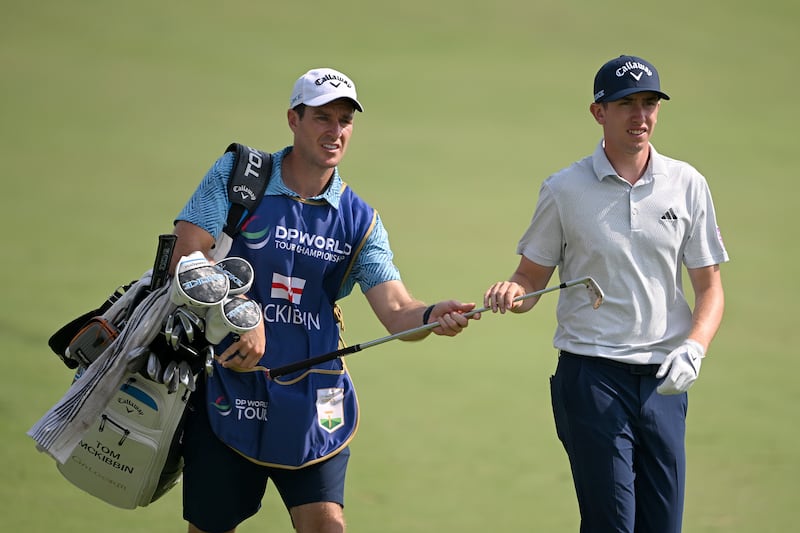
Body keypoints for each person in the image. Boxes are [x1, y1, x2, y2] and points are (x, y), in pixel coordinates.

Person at [170, 67, 479, 533]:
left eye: (344, 120)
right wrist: (243, 313)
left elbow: (397, 311)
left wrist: (434, 315)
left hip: (318, 397)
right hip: (230, 387)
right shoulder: (241, 177)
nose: (335, 131)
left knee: (327, 525)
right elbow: (188, 255)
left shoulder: (359, 220)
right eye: (322, 118)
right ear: (293, 119)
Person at [484, 55, 728, 532]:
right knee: (612, 524)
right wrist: (513, 290)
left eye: (649, 104)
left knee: (663, 526)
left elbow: (709, 287)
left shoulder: (687, 184)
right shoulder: (564, 188)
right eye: (626, 105)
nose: (641, 117)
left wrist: (694, 348)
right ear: (599, 112)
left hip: (664, 381)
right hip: (592, 377)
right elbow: (532, 277)